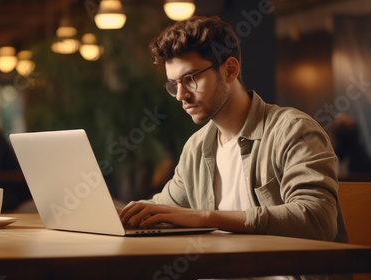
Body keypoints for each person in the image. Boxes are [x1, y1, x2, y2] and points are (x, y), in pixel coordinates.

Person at [119, 16, 348, 244]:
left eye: (189, 79)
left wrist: (207, 217)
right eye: (173, 84)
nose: (181, 95)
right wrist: (115, 214)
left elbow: (319, 220)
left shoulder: (293, 130)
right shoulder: (197, 147)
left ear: (229, 70)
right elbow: (161, 210)